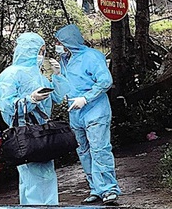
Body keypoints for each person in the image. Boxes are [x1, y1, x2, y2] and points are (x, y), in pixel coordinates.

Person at [50, 24, 121, 205]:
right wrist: (57, 74)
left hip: (95, 110)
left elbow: (105, 81)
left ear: (69, 41)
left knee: (100, 149)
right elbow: (63, 87)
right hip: (75, 112)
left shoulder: (91, 56)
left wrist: (86, 98)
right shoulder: (65, 59)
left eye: (59, 41)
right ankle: (95, 188)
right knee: (83, 151)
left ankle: (108, 189)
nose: (57, 45)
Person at [0, 32, 67, 205]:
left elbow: (58, 97)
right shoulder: (10, 75)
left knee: (39, 178)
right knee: (34, 178)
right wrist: (30, 100)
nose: (42, 55)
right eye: (39, 51)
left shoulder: (39, 74)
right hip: (25, 134)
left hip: (42, 132)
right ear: (29, 50)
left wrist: (57, 75)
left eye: (43, 51)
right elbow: (6, 106)